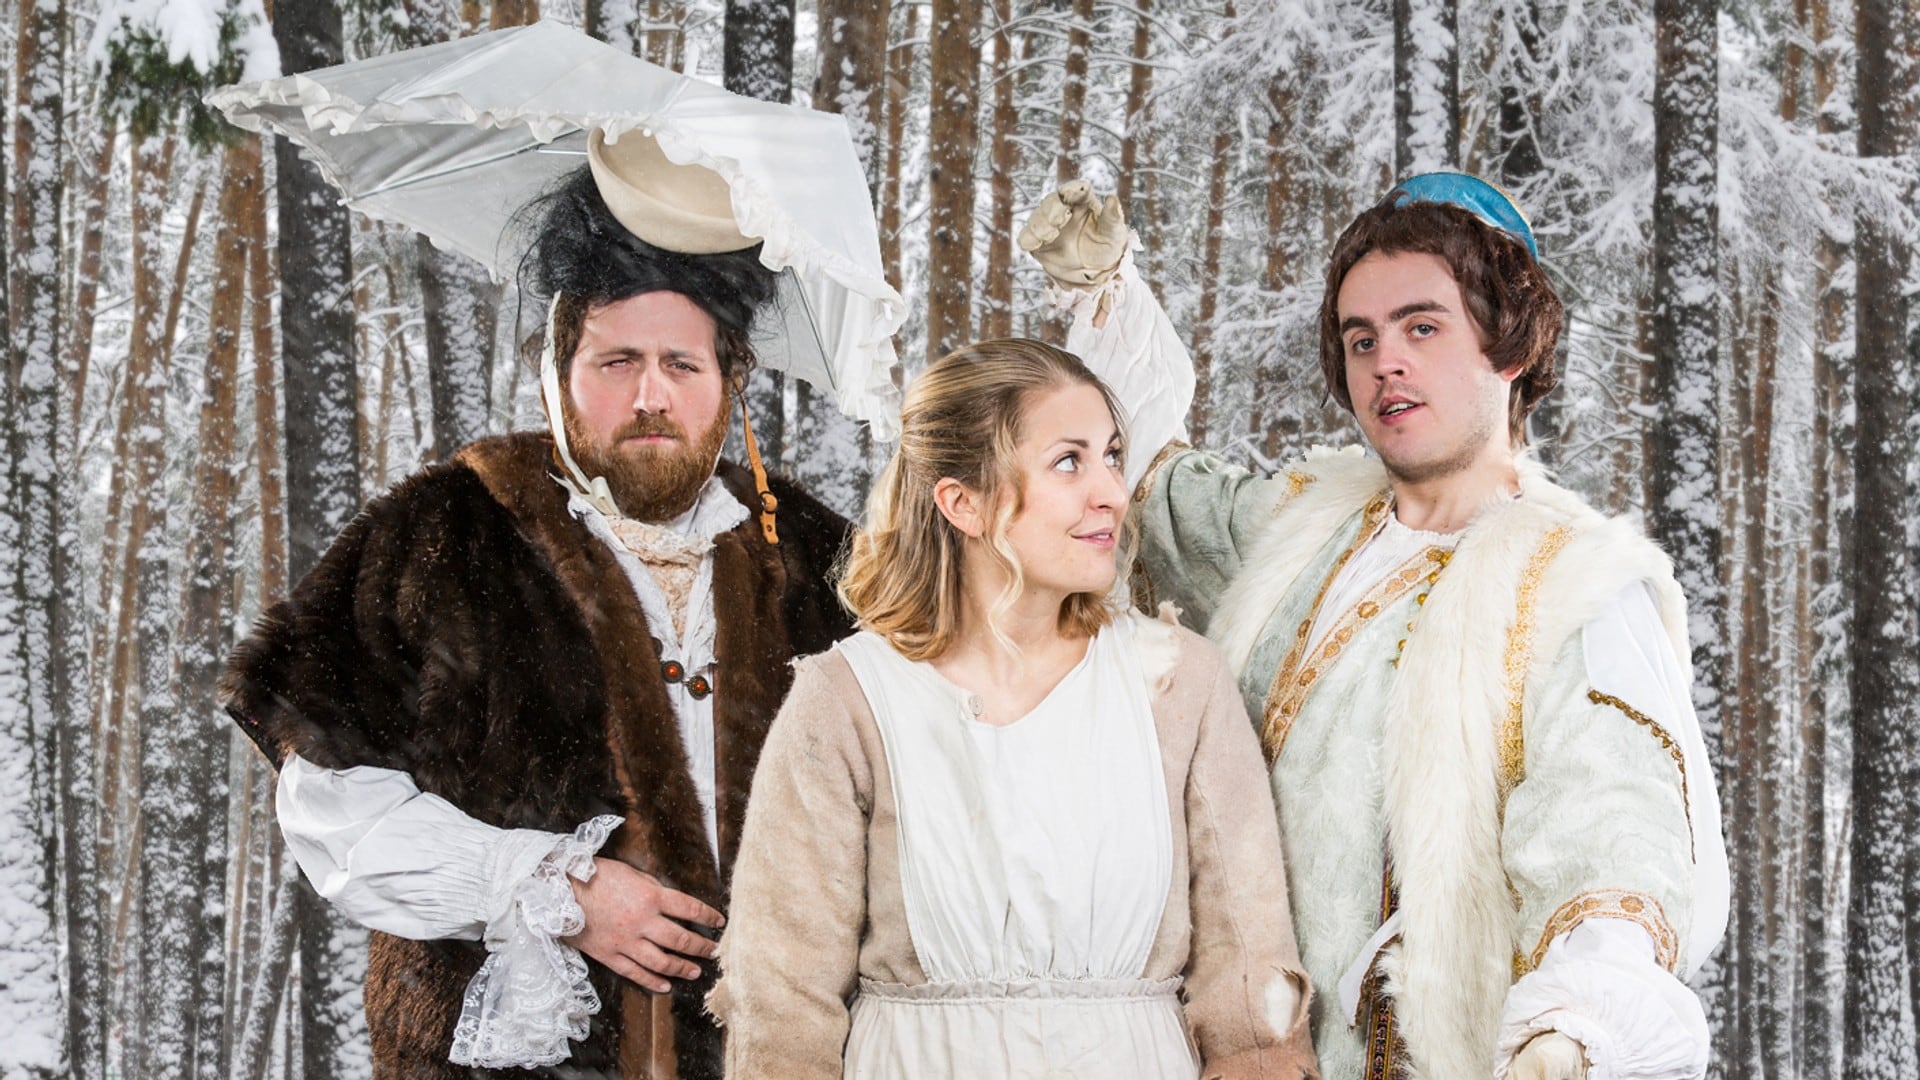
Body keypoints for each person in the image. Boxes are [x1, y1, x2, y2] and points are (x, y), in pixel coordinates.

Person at [1016, 175, 1729, 1080]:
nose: (1386, 361)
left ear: (1510, 345)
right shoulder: (1301, 527)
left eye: (1421, 328)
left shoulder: (1573, 585)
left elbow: (1612, 831)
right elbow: (1159, 486)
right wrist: (1107, 293)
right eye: (1362, 339)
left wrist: (1571, 1030)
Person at [221, 131, 854, 1079]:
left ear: (730, 383)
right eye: (617, 361)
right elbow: (333, 813)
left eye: (682, 365)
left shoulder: (814, 556)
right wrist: (555, 890)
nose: (651, 396)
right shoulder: (444, 534)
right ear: (559, 373)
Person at [708, 339, 1321, 1079]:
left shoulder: (1178, 681)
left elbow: (1249, 979)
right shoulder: (848, 698)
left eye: (1112, 456)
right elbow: (781, 999)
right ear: (963, 502)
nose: (1112, 492)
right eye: (1069, 462)